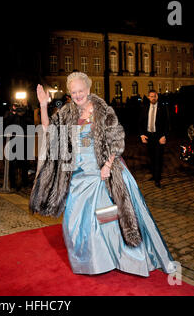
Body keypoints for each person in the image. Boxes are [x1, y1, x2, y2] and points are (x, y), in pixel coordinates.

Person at [30, 72, 175, 277]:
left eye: (81, 91)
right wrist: (43, 105)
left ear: (88, 90)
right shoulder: (67, 112)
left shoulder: (102, 111)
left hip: (100, 171)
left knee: (106, 218)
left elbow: (117, 141)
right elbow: (48, 129)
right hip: (77, 174)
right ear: (70, 94)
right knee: (74, 220)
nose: (78, 95)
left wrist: (107, 166)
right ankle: (89, 260)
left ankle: (116, 258)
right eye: (74, 92)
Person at [139, 89, 169, 188]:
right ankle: (154, 175)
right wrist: (142, 135)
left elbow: (167, 123)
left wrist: (164, 136)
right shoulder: (145, 107)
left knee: (158, 158)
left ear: (157, 97)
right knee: (151, 157)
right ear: (148, 97)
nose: (153, 98)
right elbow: (140, 122)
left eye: (154, 96)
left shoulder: (162, 108)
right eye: (151, 96)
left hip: (159, 136)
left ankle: (157, 179)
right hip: (148, 136)